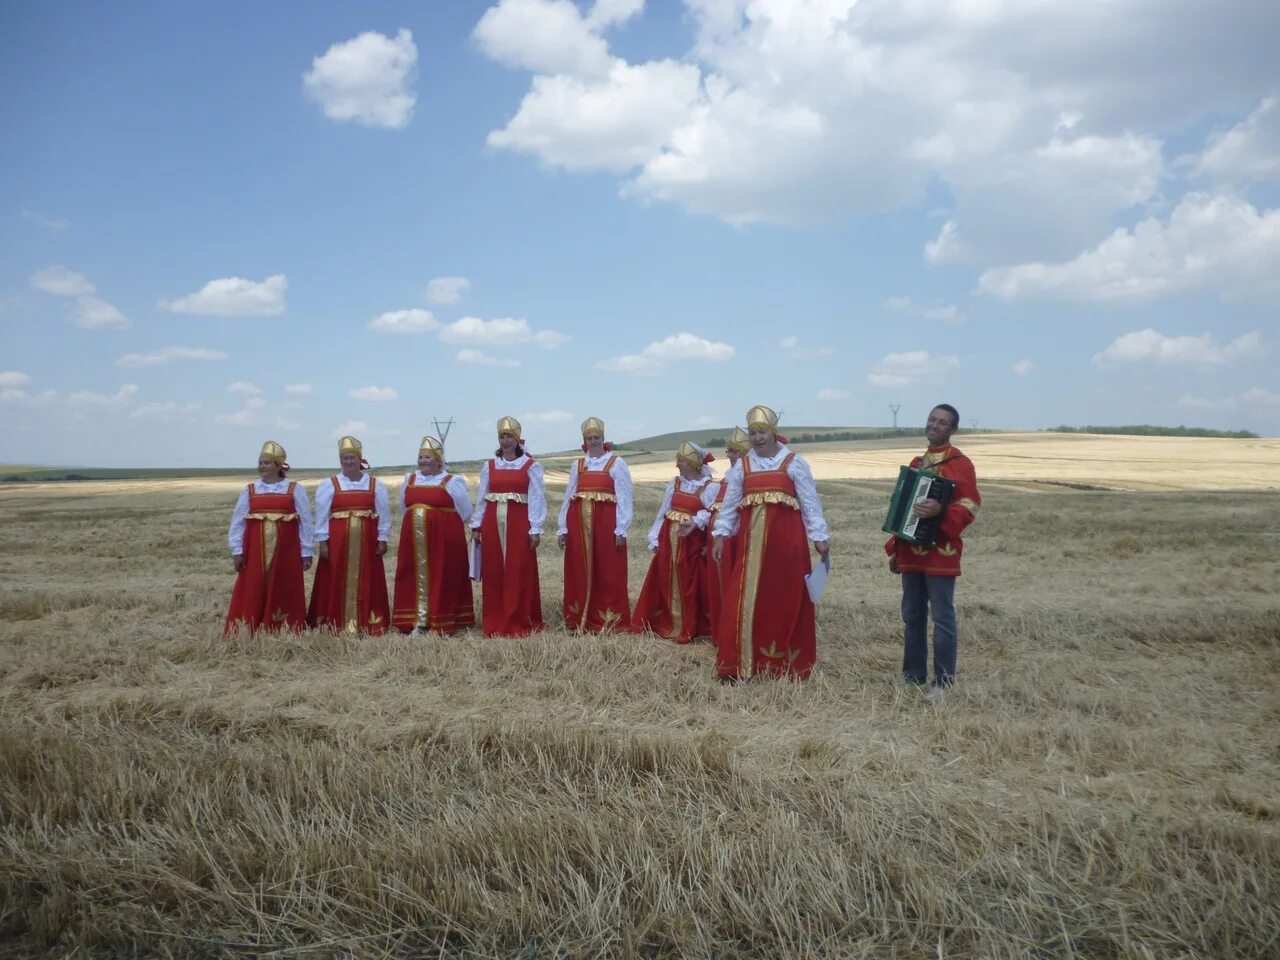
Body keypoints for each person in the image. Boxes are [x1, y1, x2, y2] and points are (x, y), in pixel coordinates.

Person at [711, 407, 830, 680]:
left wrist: (820, 537)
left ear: (774, 433)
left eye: (762, 432)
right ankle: (742, 662)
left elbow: (810, 503)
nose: (757, 438)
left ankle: (782, 664)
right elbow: (729, 505)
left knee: (784, 598)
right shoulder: (743, 466)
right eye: (752, 433)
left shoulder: (794, 463)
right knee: (743, 598)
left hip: (787, 547)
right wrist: (720, 534)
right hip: (751, 549)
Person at [886, 403, 981, 690]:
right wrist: (895, 548)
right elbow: (903, 510)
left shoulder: (960, 464)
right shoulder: (916, 463)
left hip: (942, 552)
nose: (935, 425)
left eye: (942, 422)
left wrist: (940, 511)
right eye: (932, 419)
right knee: (912, 615)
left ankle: (943, 681)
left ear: (952, 430)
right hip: (911, 553)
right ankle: (913, 676)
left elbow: (970, 505)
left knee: (942, 617)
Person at [224, 440, 313, 635]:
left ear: (278, 465)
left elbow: (305, 522)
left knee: (284, 585)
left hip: (286, 551)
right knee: (253, 586)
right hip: (255, 550)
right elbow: (238, 522)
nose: (262, 466)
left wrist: (306, 551)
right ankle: (250, 627)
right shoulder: (250, 490)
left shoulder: (294, 489)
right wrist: (237, 550)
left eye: (266, 462)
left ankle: (283, 627)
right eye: (260, 462)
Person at [632, 440, 717, 643]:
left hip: (691, 545)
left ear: (693, 463)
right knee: (664, 579)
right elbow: (663, 512)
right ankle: (666, 621)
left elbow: (712, 514)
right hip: (668, 543)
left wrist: (696, 521)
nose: (677, 465)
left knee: (689, 583)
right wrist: (654, 536)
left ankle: (689, 625)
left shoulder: (710, 487)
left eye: (681, 461)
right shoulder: (675, 483)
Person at [307, 435, 392, 634]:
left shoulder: (374, 484)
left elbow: (384, 513)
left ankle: (368, 621)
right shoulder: (330, 484)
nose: (348, 462)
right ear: (340, 460)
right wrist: (323, 541)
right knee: (335, 577)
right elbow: (322, 514)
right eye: (345, 458)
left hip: (367, 541)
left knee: (367, 576)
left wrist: (383, 537)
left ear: (360, 459)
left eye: (352, 458)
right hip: (339, 541)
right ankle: (335, 622)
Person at [470, 416, 546, 637]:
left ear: (517, 439)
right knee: (494, 570)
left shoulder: (531, 465)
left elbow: (537, 497)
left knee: (518, 569)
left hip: (519, 521)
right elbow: (482, 497)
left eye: (509, 436)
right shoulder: (490, 466)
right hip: (492, 524)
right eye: (502, 436)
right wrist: (477, 525)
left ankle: (518, 620)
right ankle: (495, 620)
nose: (505, 441)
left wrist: (535, 528)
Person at [557, 416, 634, 632]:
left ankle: (607, 620)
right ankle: (580, 618)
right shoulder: (578, 465)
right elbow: (569, 495)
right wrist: (563, 527)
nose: (593, 441)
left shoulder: (616, 463)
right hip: (579, 524)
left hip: (606, 524)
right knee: (579, 569)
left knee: (608, 570)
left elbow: (625, 496)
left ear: (603, 438)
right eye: (589, 438)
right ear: (584, 440)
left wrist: (622, 528)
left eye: (597, 437)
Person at [392, 435, 475, 635]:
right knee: (412, 574)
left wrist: (439, 522)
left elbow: (464, 511)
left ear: (439, 460)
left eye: (428, 457)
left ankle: (442, 619)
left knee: (443, 575)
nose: (423, 461)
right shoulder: (410, 479)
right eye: (421, 457)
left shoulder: (452, 481)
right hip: (414, 539)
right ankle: (415, 621)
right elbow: (405, 507)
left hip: (444, 539)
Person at [705, 427, 750, 646]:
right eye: (728, 450)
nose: (729, 455)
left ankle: (738, 633)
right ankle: (724, 632)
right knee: (722, 587)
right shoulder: (724, 480)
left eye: (734, 451)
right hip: (724, 541)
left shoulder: (747, 476)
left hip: (740, 539)